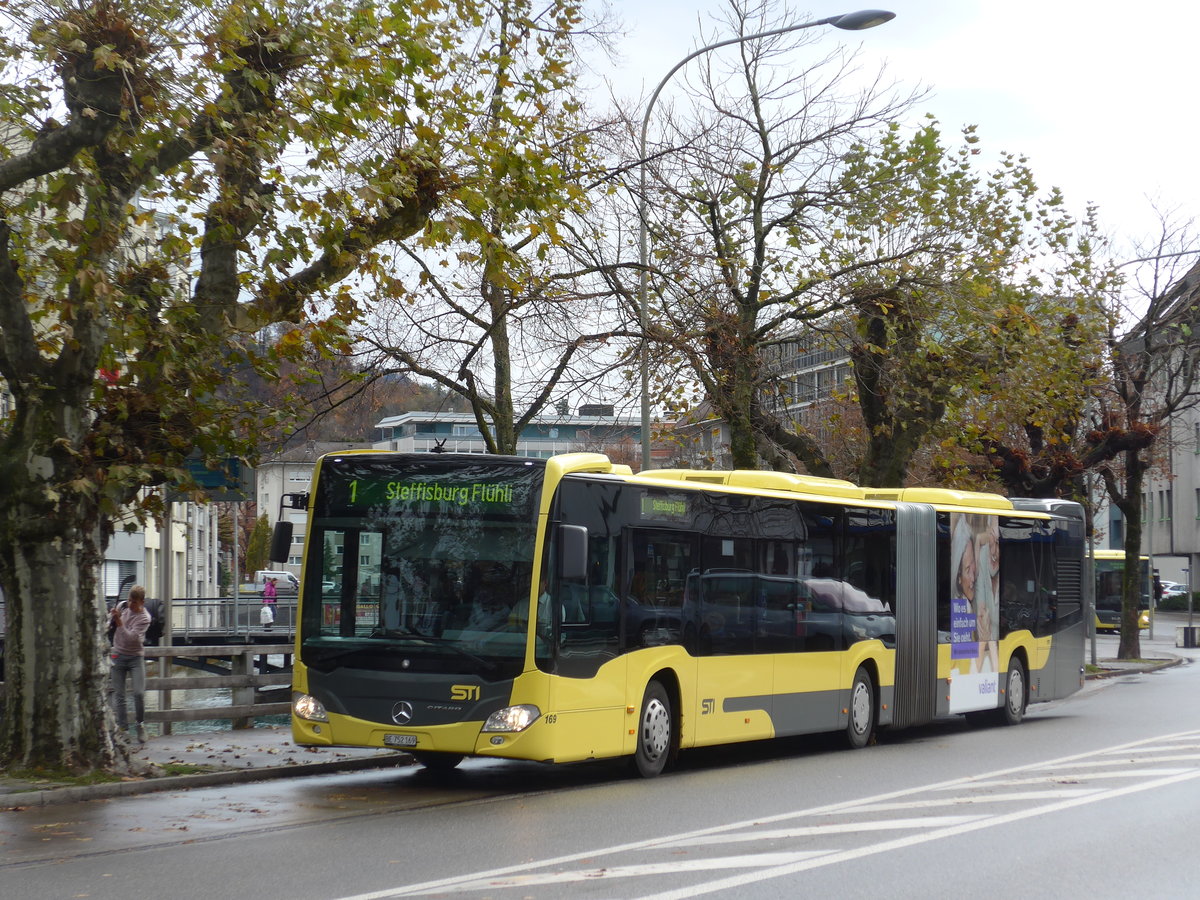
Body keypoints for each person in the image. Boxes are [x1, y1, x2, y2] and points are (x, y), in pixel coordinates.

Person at [109, 585, 152, 743]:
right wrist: (112, 618)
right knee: (119, 694)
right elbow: (110, 625)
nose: (130, 604)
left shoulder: (144, 618)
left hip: (135, 657)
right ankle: (123, 729)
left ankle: (140, 725)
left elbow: (131, 638)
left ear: (142, 601)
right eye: (129, 600)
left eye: (134, 602)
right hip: (118, 654)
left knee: (139, 693)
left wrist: (119, 622)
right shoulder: (123, 607)